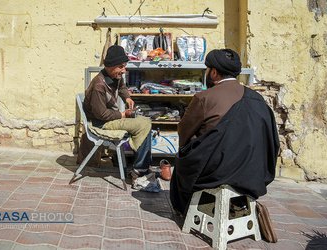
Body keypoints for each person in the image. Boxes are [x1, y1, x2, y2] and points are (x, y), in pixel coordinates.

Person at [170, 49, 280, 215]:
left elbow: (184, 133)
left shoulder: (204, 98)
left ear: (213, 72)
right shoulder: (258, 99)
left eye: (207, 70)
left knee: (182, 163)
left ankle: (185, 209)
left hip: (214, 175)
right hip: (252, 176)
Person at [77, 45, 152, 177]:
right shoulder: (98, 86)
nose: (124, 70)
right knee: (142, 125)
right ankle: (140, 170)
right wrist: (122, 115)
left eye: (124, 66)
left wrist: (127, 98)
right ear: (110, 66)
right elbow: (101, 114)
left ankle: (142, 166)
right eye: (121, 67)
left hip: (109, 118)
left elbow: (122, 86)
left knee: (145, 122)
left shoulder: (114, 76)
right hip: (100, 123)